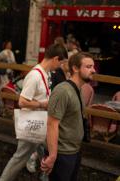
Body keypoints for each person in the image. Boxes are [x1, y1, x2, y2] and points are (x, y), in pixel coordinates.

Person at [0, 44, 67, 181]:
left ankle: (45, 175)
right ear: (55, 59)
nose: (60, 66)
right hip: (33, 122)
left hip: (40, 122)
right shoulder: (35, 75)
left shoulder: (45, 73)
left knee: (45, 151)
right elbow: (22, 102)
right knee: (20, 157)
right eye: (61, 62)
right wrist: (42, 104)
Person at [41, 52, 96, 181]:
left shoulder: (78, 88)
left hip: (74, 152)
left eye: (93, 66)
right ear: (75, 68)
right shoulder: (62, 91)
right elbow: (52, 124)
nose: (93, 70)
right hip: (62, 154)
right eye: (88, 67)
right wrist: (52, 156)